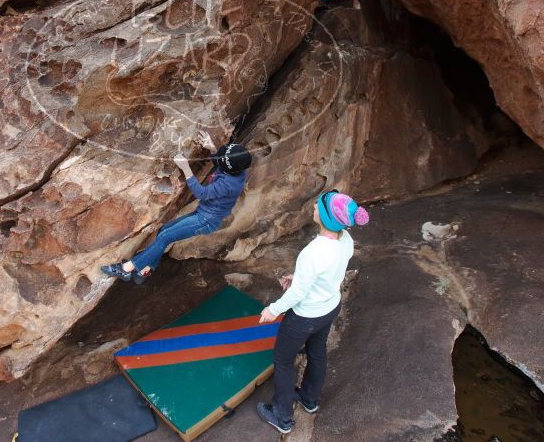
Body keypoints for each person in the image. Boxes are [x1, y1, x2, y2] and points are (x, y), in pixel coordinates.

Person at [256, 190, 369, 434]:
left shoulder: (313, 252)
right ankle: (309, 399)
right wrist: (298, 278)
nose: (314, 207)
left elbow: (298, 295)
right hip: (329, 307)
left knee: (283, 361)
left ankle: (282, 417)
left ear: (327, 218)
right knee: (317, 352)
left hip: (304, 317)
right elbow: (327, 271)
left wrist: (272, 310)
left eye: (318, 206)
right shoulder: (345, 239)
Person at [101, 131, 252, 284]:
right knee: (164, 231)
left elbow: (201, 193)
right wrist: (213, 148)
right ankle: (145, 269)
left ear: (230, 169)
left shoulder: (229, 185)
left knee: (165, 237)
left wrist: (186, 168)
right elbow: (220, 163)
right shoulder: (237, 170)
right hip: (204, 214)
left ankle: (126, 269)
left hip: (206, 220)